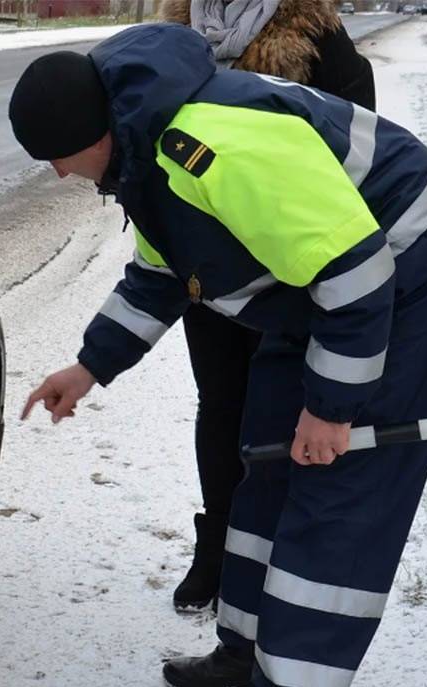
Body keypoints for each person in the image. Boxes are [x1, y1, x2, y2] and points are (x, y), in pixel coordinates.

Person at [8, 23, 427, 687]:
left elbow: (357, 277)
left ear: (95, 130)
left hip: (407, 267)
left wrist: (331, 408)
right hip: (316, 291)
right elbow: (160, 273)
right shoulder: (145, 154)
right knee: (266, 451)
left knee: (335, 479)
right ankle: (249, 644)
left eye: (57, 156)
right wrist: (89, 368)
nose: (56, 172)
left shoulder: (212, 149)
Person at [157, 0, 378, 614]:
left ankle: (275, 551)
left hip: (286, 266)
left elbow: (356, 131)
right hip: (205, 255)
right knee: (219, 403)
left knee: (277, 409)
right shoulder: (174, 31)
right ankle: (218, 547)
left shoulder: (315, 30)